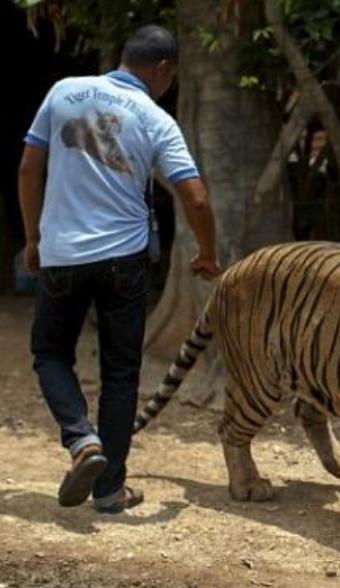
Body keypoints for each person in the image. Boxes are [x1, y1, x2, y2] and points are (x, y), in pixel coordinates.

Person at [18, 25, 221, 514]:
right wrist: (208, 253)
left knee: (49, 353)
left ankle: (81, 439)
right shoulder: (155, 119)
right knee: (120, 373)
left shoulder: (63, 92)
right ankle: (109, 489)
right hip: (123, 262)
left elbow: (28, 168)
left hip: (62, 254)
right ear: (164, 69)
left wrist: (33, 238)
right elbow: (193, 195)